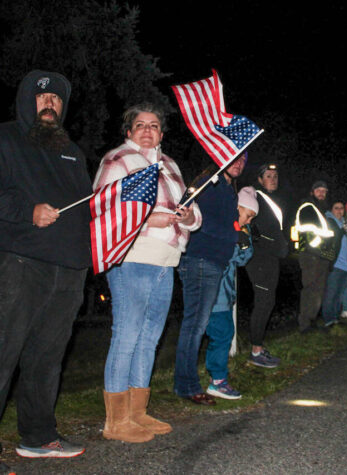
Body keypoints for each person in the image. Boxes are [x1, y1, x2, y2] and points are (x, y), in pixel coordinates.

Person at [93, 103, 201, 443]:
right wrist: (144, 220)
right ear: (128, 131)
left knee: (149, 338)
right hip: (133, 257)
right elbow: (103, 206)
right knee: (127, 334)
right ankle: (116, 421)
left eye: (153, 125)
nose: (146, 130)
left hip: (167, 260)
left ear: (161, 133)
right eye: (139, 125)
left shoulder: (169, 165)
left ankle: (137, 412)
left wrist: (185, 217)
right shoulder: (118, 160)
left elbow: (194, 214)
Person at [0, 70, 91, 461]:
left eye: (56, 98)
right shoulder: (5, 138)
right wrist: (26, 211)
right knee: (4, 353)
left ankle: (37, 436)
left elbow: (89, 206)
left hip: (69, 269)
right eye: (41, 97)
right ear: (26, 100)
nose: (49, 103)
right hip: (22, 262)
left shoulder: (72, 151)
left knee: (47, 357)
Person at [174, 153, 246, 405]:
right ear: (220, 157)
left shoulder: (227, 189)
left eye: (243, 160)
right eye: (234, 158)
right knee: (195, 325)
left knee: (198, 324)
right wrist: (229, 234)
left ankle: (187, 382)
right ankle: (187, 385)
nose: (239, 163)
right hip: (200, 260)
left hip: (214, 262)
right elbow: (186, 212)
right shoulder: (208, 182)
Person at [205, 187, 257, 399]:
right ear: (237, 208)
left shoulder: (240, 229)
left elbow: (242, 260)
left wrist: (245, 242)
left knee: (223, 333)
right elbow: (223, 254)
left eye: (252, 218)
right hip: (214, 294)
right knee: (223, 334)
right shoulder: (220, 226)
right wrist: (235, 242)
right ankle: (217, 380)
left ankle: (216, 378)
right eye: (248, 215)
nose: (249, 221)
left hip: (224, 294)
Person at [246, 163, 288, 368]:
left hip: (271, 259)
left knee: (268, 302)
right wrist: (273, 244)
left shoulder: (273, 200)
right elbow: (253, 228)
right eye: (268, 176)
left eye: (275, 176)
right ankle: (255, 352)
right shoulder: (254, 196)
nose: (273, 179)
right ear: (260, 179)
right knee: (263, 302)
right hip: (260, 259)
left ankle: (259, 347)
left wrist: (282, 246)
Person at [295, 181, 339, 333]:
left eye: (324, 191)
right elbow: (310, 234)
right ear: (312, 192)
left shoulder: (322, 211)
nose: (322, 193)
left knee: (318, 290)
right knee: (310, 289)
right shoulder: (308, 208)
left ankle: (311, 321)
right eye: (318, 190)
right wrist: (327, 244)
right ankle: (305, 324)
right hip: (310, 255)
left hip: (320, 256)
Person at [322, 201, 347, 326]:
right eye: (336, 208)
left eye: (341, 208)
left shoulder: (346, 223)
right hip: (336, 264)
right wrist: (342, 230)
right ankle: (328, 320)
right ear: (331, 210)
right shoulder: (328, 221)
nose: (339, 210)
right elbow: (333, 238)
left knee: (340, 294)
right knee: (331, 293)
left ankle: (336, 318)